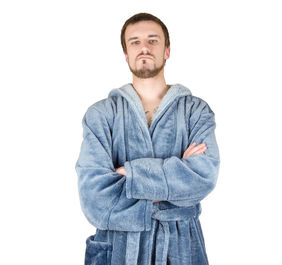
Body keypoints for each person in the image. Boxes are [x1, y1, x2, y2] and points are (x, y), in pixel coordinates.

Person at [75, 12, 220, 265]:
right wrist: (176, 174)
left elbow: (202, 177)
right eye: (135, 42)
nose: (144, 47)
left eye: (153, 40)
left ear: (167, 51)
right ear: (126, 54)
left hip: (180, 245)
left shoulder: (196, 111)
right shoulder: (100, 115)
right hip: (118, 249)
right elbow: (94, 198)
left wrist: (129, 174)